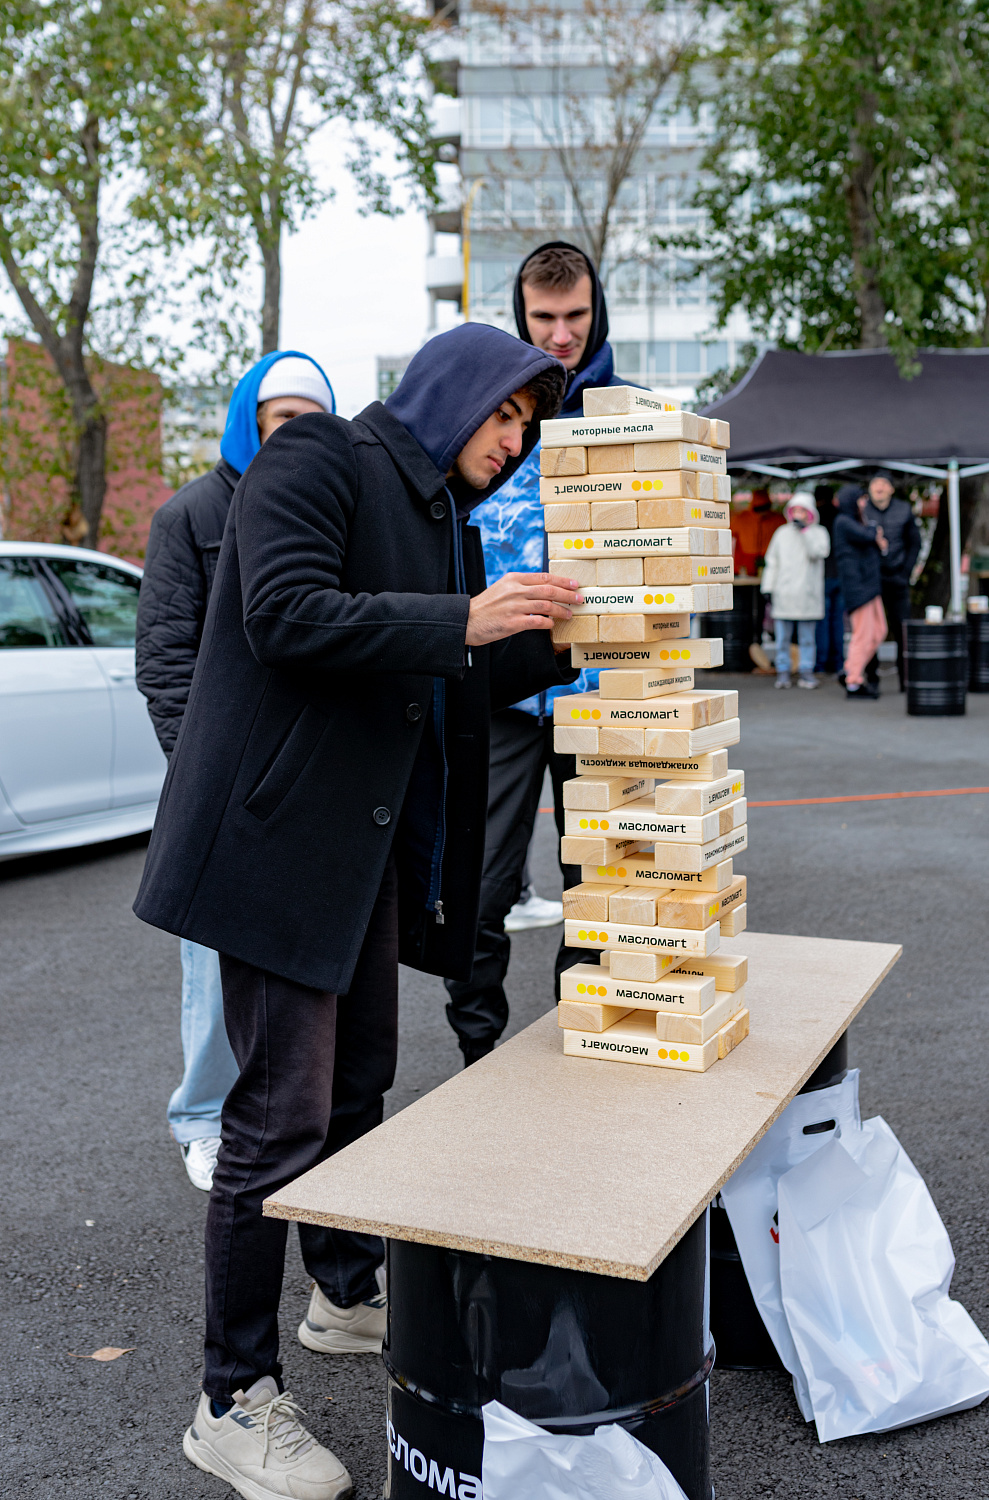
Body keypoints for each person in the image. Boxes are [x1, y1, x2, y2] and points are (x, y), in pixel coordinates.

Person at [133, 323, 578, 1500]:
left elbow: (438, 668)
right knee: (273, 1120)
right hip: (270, 849)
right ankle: (229, 1398)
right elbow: (281, 613)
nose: (515, 437)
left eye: (528, 422)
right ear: (453, 392)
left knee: (357, 1086)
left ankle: (339, 1295)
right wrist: (464, 619)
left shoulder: (434, 515)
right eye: (506, 412)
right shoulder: (317, 457)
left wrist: (549, 642)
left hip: (357, 857)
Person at [136, 352, 337, 1192]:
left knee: (298, 969)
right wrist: (204, 772)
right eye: (277, 418)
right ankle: (202, 1119)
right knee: (212, 974)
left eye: (308, 419)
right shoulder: (190, 515)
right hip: (220, 787)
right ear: (248, 421)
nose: (292, 434)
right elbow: (165, 659)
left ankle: (285, 1119)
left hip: (306, 781)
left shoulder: (333, 512)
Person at [444, 241, 627, 1067]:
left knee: (598, 880)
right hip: (505, 687)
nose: (559, 334)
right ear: (520, 315)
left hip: (602, 690)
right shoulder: (490, 411)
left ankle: (574, 1037)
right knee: (479, 883)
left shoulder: (632, 414)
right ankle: (476, 1050)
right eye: (543, 317)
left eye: (574, 316)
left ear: (598, 311)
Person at [760, 493, 830, 689]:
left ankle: (806, 672)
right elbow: (772, 562)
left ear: (810, 513)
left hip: (807, 594)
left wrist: (806, 532)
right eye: (795, 510)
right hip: (784, 594)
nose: (798, 514)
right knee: (782, 638)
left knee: (807, 638)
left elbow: (819, 552)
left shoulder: (818, 532)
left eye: (802, 510)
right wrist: (768, 586)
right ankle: (783, 672)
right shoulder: (781, 533)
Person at [862, 469, 920, 691]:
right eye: (875, 483)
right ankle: (872, 679)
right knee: (871, 631)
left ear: (892, 488)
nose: (879, 487)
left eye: (884, 484)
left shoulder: (904, 510)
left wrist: (905, 572)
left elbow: (915, 543)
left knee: (901, 629)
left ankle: (906, 681)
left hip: (897, 578)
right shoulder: (862, 511)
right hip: (871, 580)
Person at [834, 483, 889, 699]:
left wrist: (874, 534)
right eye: (861, 499)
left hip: (869, 585)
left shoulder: (856, 522)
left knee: (879, 631)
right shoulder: (844, 522)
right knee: (863, 635)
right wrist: (874, 532)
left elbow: (873, 538)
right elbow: (869, 535)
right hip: (858, 587)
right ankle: (853, 682)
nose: (864, 502)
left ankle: (849, 670)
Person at [813, 484, 845, 676]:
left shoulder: (814, 518)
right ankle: (838, 662)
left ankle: (821, 663)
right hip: (840, 575)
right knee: (838, 621)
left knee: (821, 621)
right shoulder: (841, 515)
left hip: (821, 576)